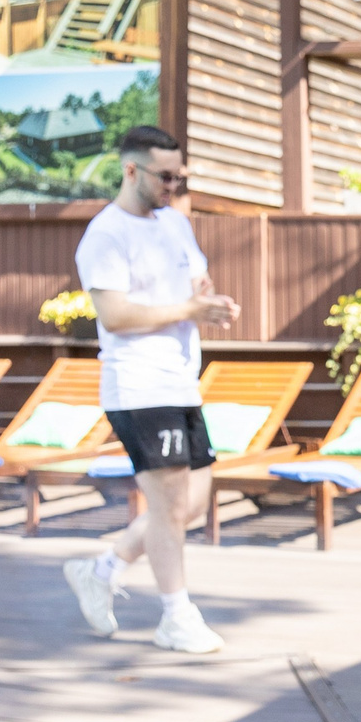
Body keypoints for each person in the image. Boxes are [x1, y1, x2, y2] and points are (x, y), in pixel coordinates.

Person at [60, 126, 239, 654]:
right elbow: (114, 315)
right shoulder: (105, 235)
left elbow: (193, 288)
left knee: (191, 503)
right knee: (167, 504)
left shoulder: (175, 225)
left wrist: (210, 303)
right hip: (139, 385)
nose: (173, 185)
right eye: (165, 176)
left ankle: (103, 569)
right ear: (131, 170)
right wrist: (187, 309)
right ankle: (175, 615)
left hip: (181, 381)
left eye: (179, 176)